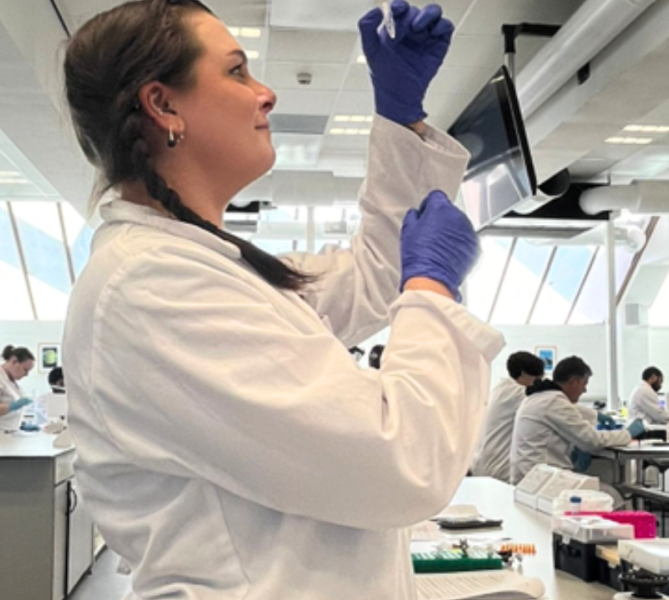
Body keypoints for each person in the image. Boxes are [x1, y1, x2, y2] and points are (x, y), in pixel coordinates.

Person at [61, 1, 504, 598]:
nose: (265, 94)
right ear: (163, 105)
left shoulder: (204, 265)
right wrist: (431, 288)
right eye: (238, 72)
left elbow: (373, 275)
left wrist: (401, 120)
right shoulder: (152, 286)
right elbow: (402, 463)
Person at [511, 356, 645, 483]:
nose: (585, 390)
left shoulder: (538, 397)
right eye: (584, 384)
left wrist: (594, 417)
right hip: (543, 482)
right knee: (612, 496)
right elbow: (592, 440)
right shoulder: (555, 401)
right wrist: (628, 433)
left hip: (531, 478)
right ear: (574, 382)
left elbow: (571, 416)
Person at [471, 351, 544, 483]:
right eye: (536, 379)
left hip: (481, 464)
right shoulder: (516, 392)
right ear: (523, 373)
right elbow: (546, 405)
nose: (536, 383)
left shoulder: (501, 389)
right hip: (497, 468)